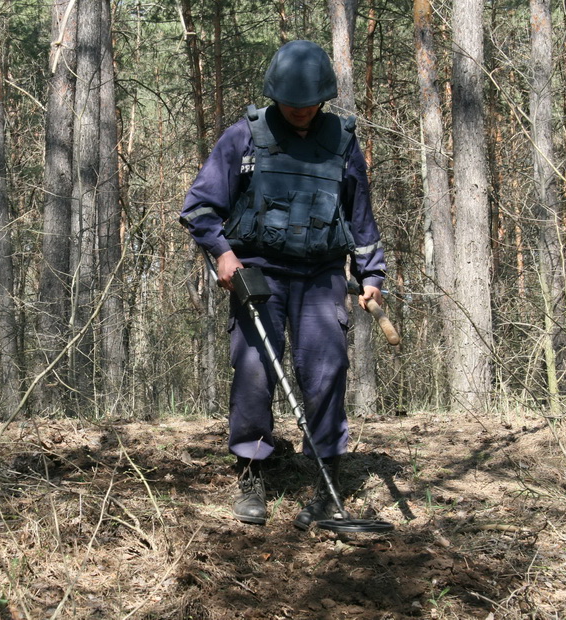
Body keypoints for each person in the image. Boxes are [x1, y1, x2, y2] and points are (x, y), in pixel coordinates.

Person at [179, 40, 386, 528]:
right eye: (291, 104)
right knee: (253, 369)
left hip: (319, 274)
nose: (300, 111)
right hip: (257, 270)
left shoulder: (342, 140)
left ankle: (326, 476)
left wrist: (371, 274)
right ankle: (252, 470)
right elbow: (200, 207)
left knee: (325, 368)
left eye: (309, 103)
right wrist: (224, 254)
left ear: (324, 99)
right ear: (275, 97)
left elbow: (359, 214)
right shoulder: (244, 137)